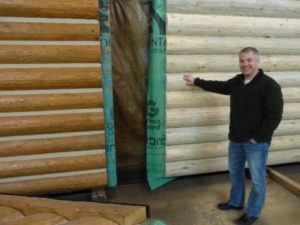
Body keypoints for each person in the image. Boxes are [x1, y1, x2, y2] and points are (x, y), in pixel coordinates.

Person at [183, 47, 284, 225]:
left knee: (258, 180)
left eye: (249, 60)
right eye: (242, 61)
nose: (245, 64)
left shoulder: (269, 85)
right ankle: (236, 202)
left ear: (258, 62)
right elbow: (220, 86)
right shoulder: (237, 82)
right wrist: (197, 81)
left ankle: (252, 213)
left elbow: (274, 115)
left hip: (256, 143)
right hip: (236, 139)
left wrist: (258, 137)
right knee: (235, 173)